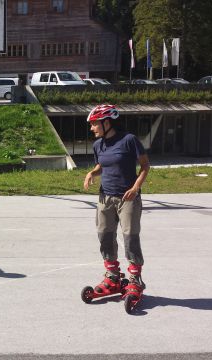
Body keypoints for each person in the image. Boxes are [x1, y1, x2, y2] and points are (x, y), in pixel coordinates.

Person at [83, 104, 150, 309]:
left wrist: (136, 187)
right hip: (105, 197)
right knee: (104, 236)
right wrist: (92, 173)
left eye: (95, 123)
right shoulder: (98, 145)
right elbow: (102, 165)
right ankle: (112, 276)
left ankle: (135, 279)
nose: (92, 127)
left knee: (130, 238)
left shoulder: (128, 140)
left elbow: (145, 166)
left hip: (127, 198)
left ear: (107, 122)